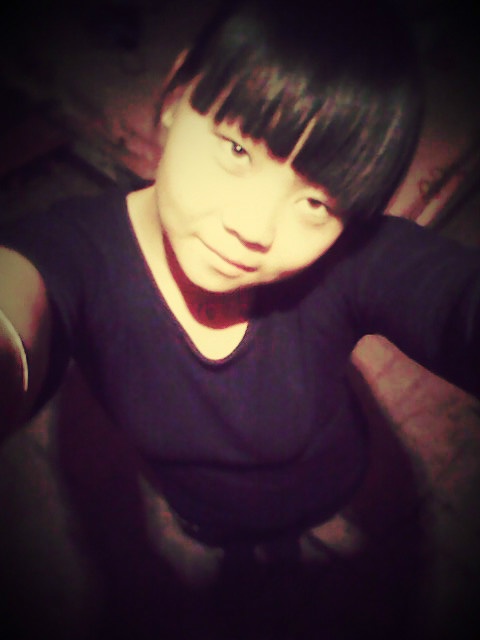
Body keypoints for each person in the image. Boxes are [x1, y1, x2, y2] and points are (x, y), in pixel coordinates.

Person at [0, 0, 479, 631]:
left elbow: (450, 299)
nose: (253, 228)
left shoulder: (350, 258)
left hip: (329, 484)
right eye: (236, 148)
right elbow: (18, 302)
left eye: (317, 202)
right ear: (178, 95)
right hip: (207, 514)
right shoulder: (75, 251)